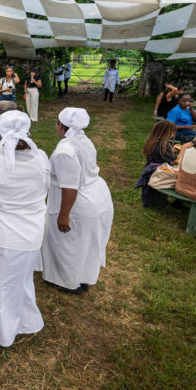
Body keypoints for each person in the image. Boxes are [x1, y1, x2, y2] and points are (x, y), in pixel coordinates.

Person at [0, 110, 49, 347]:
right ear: (28, 132)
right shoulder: (42, 158)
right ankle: (24, 320)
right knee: (20, 279)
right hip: (32, 233)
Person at [42, 108, 114, 295]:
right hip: (95, 193)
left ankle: (68, 282)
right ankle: (82, 277)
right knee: (83, 242)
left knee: (67, 242)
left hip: (77, 201)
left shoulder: (65, 151)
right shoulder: (83, 139)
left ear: (61, 126)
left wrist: (64, 214)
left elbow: (70, 185)